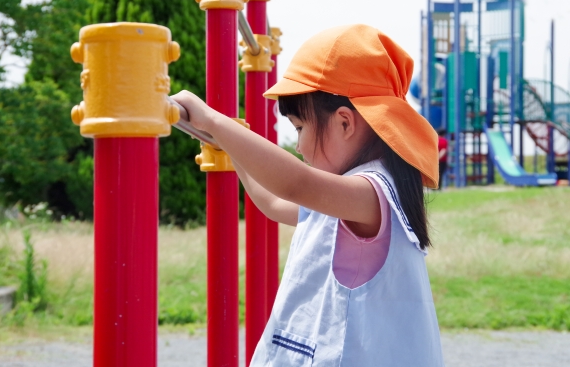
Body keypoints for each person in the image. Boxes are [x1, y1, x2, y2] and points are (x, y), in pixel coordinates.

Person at [172, 24, 444, 366]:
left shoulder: (370, 193)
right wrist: (229, 145)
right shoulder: (345, 196)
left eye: (300, 128)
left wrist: (214, 121)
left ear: (345, 123)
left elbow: (294, 184)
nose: (298, 145)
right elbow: (273, 202)